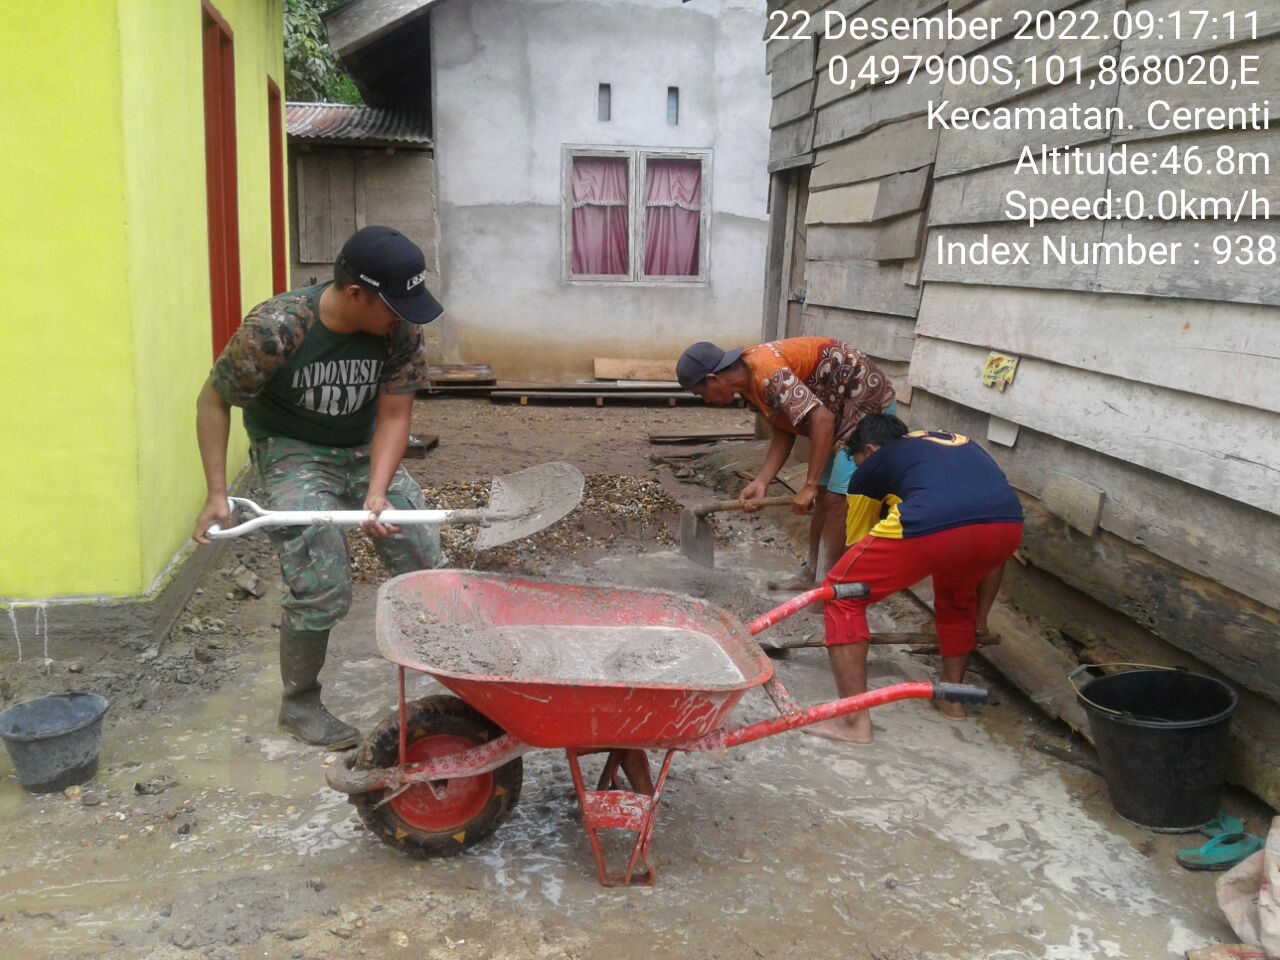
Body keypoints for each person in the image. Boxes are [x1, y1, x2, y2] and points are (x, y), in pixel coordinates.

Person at [192, 226, 446, 749]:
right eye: (393, 305)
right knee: (321, 578)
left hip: (362, 446)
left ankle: (449, 665)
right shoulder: (278, 329)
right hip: (292, 449)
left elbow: (396, 414)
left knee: (420, 548)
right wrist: (217, 493)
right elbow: (213, 401)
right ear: (356, 295)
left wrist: (377, 491)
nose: (402, 315)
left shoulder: (399, 329)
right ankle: (300, 702)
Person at [813, 414, 1023, 744]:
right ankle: (952, 699)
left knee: (842, 595)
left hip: (933, 522)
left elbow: (858, 550)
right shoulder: (952, 443)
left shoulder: (870, 470)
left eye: (857, 461)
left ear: (869, 451)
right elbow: (992, 554)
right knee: (957, 599)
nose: (858, 467)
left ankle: (853, 722)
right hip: (1007, 523)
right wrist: (980, 618)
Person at [676, 338, 896, 588]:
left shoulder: (769, 373)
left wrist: (810, 484)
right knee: (825, 494)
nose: (705, 400)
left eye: (700, 393)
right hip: (835, 410)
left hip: (864, 401)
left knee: (837, 500)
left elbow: (821, 419)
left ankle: (827, 587)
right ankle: (811, 575)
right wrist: (762, 481)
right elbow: (785, 427)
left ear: (713, 379)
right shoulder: (751, 385)